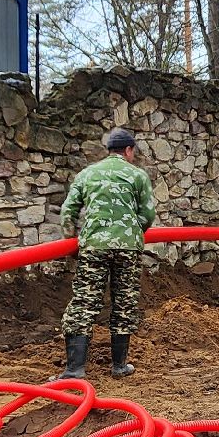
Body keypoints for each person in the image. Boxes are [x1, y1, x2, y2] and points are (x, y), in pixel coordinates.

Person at [57, 127, 157, 379]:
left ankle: (75, 369)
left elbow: (68, 210)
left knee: (84, 301)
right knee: (124, 302)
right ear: (129, 150)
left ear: (109, 150)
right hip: (128, 248)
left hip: (94, 246)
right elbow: (148, 214)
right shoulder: (138, 175)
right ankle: (119, 366)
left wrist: (70, 240)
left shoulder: (87, 173)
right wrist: (131, 231)